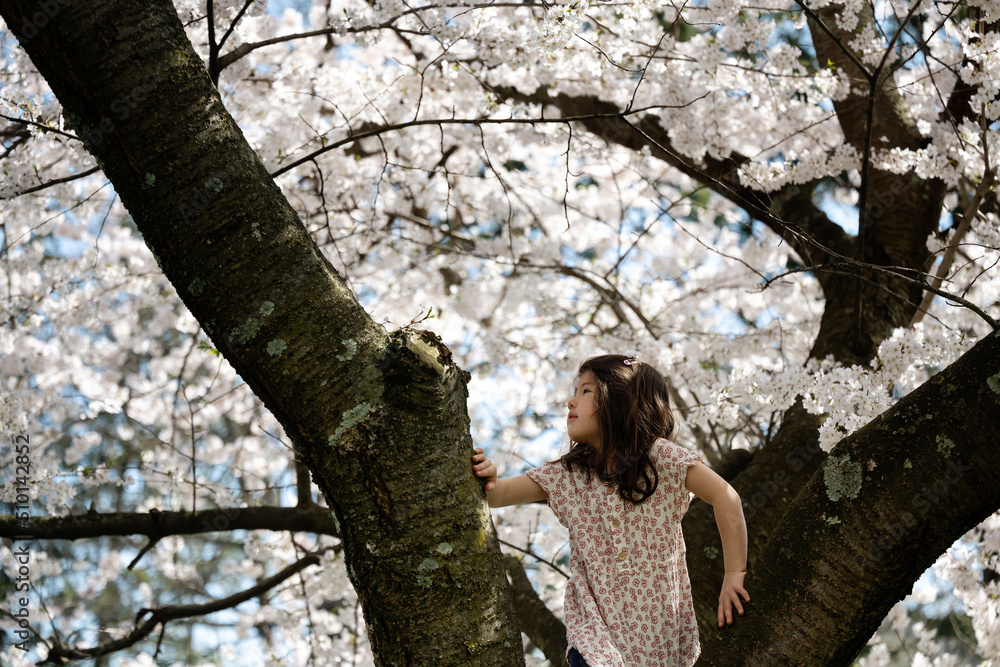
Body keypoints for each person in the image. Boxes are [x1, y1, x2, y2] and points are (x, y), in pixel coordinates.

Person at [471, 354, 750, 667]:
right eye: (575, 391)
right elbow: (499, 495)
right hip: (593, 630)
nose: (570, 401)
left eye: (586, 391)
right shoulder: (568, 475)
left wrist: (733, 574)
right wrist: (491, 478)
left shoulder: (661, 458)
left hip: (661, 635)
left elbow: (726, 497)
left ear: (621, 399)